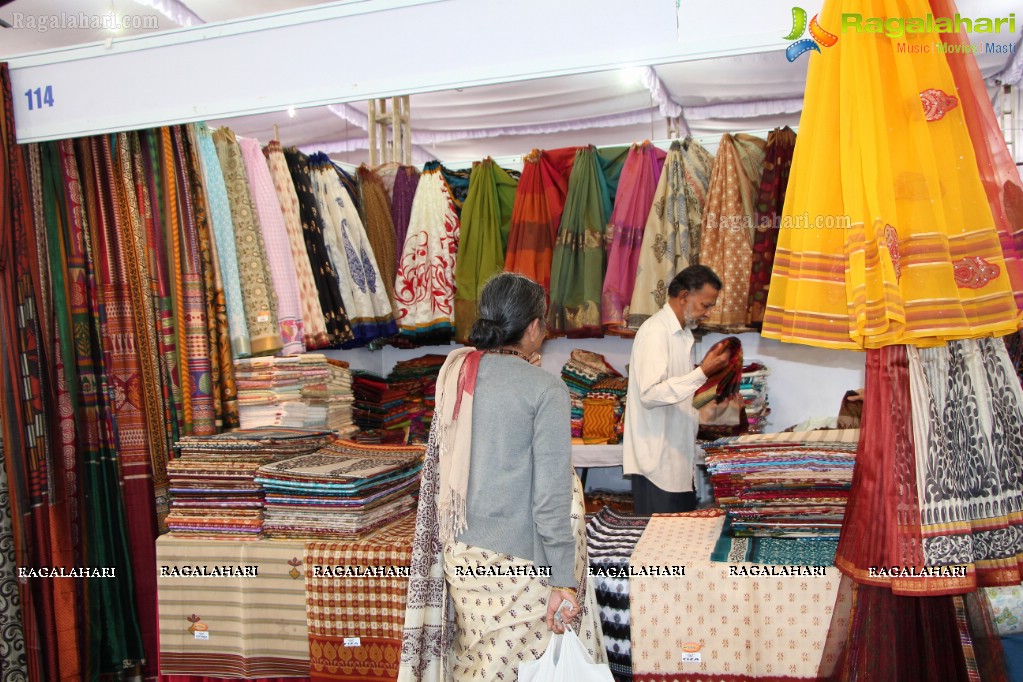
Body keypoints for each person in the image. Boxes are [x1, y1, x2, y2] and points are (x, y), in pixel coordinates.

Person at [399, 272, 605, 681]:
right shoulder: (545, 389)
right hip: (523, 567)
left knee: (477, 666)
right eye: (543, 323)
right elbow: (550, 500)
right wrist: (563, 581)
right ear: (532, 328)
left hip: (463, 557)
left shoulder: (456, 374)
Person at [623, 264, 730, 515]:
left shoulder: (682, 335)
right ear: (684, 297)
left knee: (677, 544)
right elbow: (650, 394)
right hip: (657, 464)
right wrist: (702, 372)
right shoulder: (655, 332)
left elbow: (680, 394)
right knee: (657, 547)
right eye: (706, 305)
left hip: (678, 460)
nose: (709, 312)